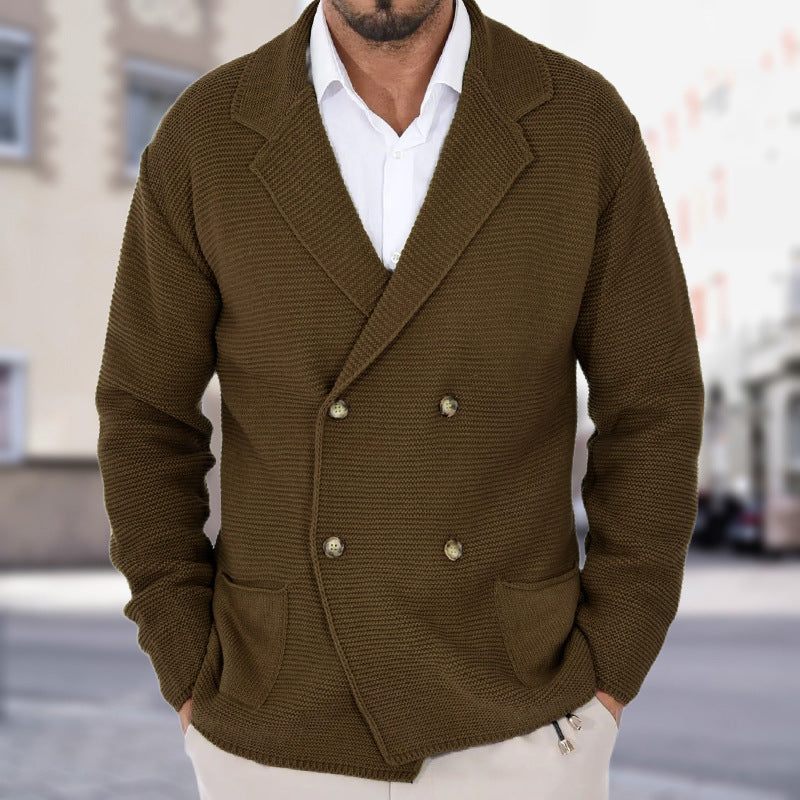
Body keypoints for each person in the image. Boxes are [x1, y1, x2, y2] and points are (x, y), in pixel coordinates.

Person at [94, 0, 705, 798]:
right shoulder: (207, 134)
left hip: (521, 721)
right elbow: (144, 414)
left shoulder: (579, 123)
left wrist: (611, 668)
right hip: (273, 726)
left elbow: (654, 402)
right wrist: (184, 658)